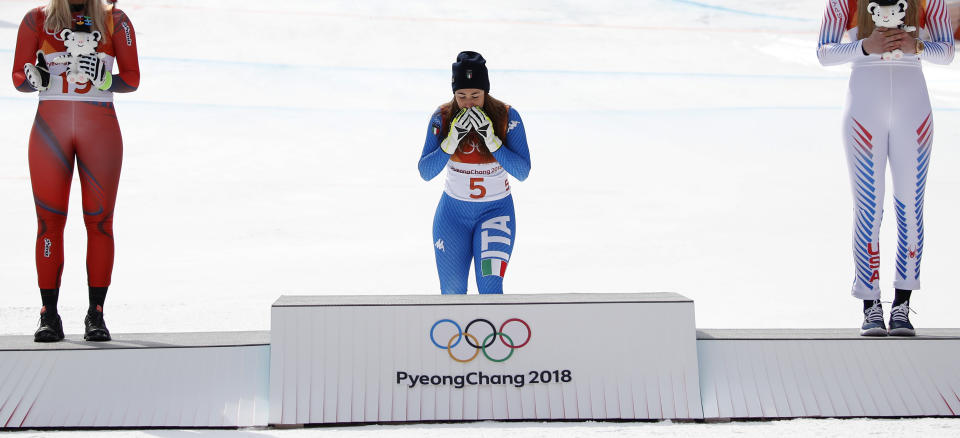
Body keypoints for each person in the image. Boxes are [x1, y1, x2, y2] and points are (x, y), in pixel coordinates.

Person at [817, 0, 954, 336]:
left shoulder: (928, 1)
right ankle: (870, 305)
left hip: (913, 109)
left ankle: (903, 305)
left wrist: (917, 45)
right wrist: (865, 46)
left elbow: (947, 52)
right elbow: (824, 52)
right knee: (869, 209)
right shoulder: (843, 2)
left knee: (909, 206)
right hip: (864, 108)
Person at [11, 0, 139, 342]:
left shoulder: (115, 20)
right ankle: (48, 314)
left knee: (99, 222)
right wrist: (34, 78)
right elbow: (17, 78)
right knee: (49, 223)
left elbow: (132, 78)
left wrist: (107, 79)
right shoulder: (37, 19)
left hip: (100, 129)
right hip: (50, 131)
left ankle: (95, 313)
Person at [418, 51, 531, 294]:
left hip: (495, 215)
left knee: (490, 289)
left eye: (475, 96)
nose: (468, 103)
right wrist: (450, 142)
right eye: (461, 96)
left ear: (486, 92)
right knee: (452, 291)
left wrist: (493, 141)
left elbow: (522, 172)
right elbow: (425, 172)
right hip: (452, 217)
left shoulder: (507, 116)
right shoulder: (443, 117)